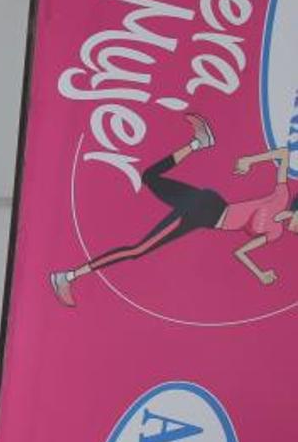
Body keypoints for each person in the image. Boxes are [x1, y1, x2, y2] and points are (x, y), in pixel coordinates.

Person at [50, 114, 298, 305]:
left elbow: (241, 253)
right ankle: (69, 276)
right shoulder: (281, 196)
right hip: (205, 211)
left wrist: (261, 274)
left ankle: (198, 143)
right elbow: (284, 155)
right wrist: (250, 162)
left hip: (206, 210)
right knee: (138, 249)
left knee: (149, 176)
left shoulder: (275, 234)